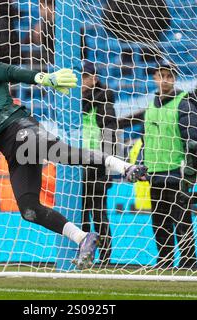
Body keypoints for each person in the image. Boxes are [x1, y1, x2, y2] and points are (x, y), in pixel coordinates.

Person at [0, 44, 147, 268]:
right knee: (29, 209)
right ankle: (83, 238)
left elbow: (11, 72)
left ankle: (124, 167)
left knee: (64, 154)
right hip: (12, 151)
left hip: (19, 130)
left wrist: (46, 78)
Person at [129, 59, 197, 269]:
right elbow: (145, 140)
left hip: (177, 172)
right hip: (156, 172)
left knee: (182, 221)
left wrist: (190, 168)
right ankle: (165, 260)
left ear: (174, 78)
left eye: (169, 76)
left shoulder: (184, 103)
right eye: (161, 76)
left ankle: (189, 262)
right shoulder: (150, 106)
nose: (165, 80)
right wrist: (141, 164)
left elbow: (193, 140)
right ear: (155, 78)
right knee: (159, 222)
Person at [81, 62, 117, 266]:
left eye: (86, 77)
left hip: (97, 166)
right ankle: (84, 254)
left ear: (94, 79)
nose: (82, 81)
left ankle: (105, 257)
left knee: (98, 213)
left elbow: (110, 136)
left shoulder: (103, 103)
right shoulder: (74, 103)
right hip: (77, 166)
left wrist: (107, 167)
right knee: (83, 214)